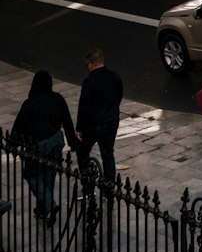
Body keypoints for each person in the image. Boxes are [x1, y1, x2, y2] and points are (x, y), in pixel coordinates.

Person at [12, 71, 76, 224]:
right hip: (56, 141)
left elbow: (19, 126)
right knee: (49, 174)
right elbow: (67, 122)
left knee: (32, 175)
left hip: (39, 144)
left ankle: (49, 206)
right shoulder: (58, 99)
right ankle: (43, 210)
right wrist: (73, 142)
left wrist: (12, 145)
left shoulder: (30, 103)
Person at [76, 49, 123, 182]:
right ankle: (110, 188)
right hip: (111, 121)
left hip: (94, 125)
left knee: (83, 151)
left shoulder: (89, 81)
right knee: (108, 155)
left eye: (86, 65)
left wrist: (79, 128)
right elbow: (118, 97)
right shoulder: (115, 77)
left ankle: (87, 180)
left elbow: (84, 107)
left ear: (91, 64)